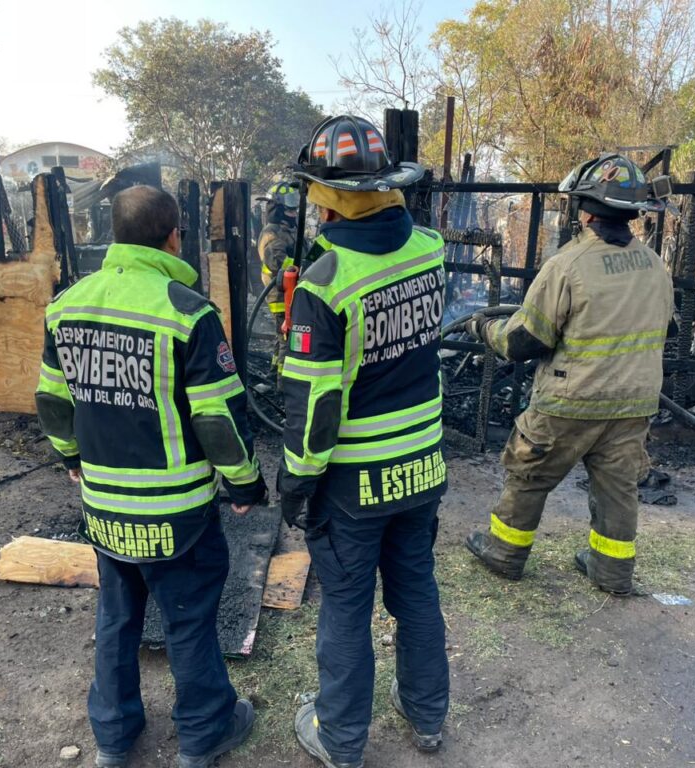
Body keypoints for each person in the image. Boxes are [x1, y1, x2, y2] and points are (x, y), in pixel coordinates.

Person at [35, 185, 267, 768]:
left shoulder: (66, 306)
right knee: (188, 619)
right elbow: (217, 416)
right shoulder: (188, 312)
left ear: (114, 234)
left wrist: (70, 458)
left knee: (117, 617)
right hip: (176, 513)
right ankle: (204, 734)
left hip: (105, 508)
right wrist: (243, 483)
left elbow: (52, 400)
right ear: (173, 237)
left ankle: (113, 737)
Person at [278, 115, 450, 768]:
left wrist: (297, 481)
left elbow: (316, 405)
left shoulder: (325, 283)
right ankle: (428, 716)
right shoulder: (430, 250)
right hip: (422, 466)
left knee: (347, 610)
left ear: (327, 196)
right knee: (417, 591)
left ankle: (341, 740)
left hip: (355, 483)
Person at [464, 153, 673, 596]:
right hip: (634, 403)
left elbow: (526, 341)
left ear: (586, 210)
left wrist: (484, 328)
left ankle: (504, 553)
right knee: (618, 489)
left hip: (570, 399)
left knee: (529, 473)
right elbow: (663, 328)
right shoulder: (654, 266)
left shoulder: (568, 265)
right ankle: (611, 572)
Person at [257, 180, 301, 380]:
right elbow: (279, 263)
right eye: (289, 206)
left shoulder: (287, 230)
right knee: (287, 338)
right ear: (278, 208)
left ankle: (274, 372)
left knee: (280, 335)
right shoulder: (271, 234)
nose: (294, 211)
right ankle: (283, 383)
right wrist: (304, 268)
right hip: (281, 294)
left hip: (289, 291)